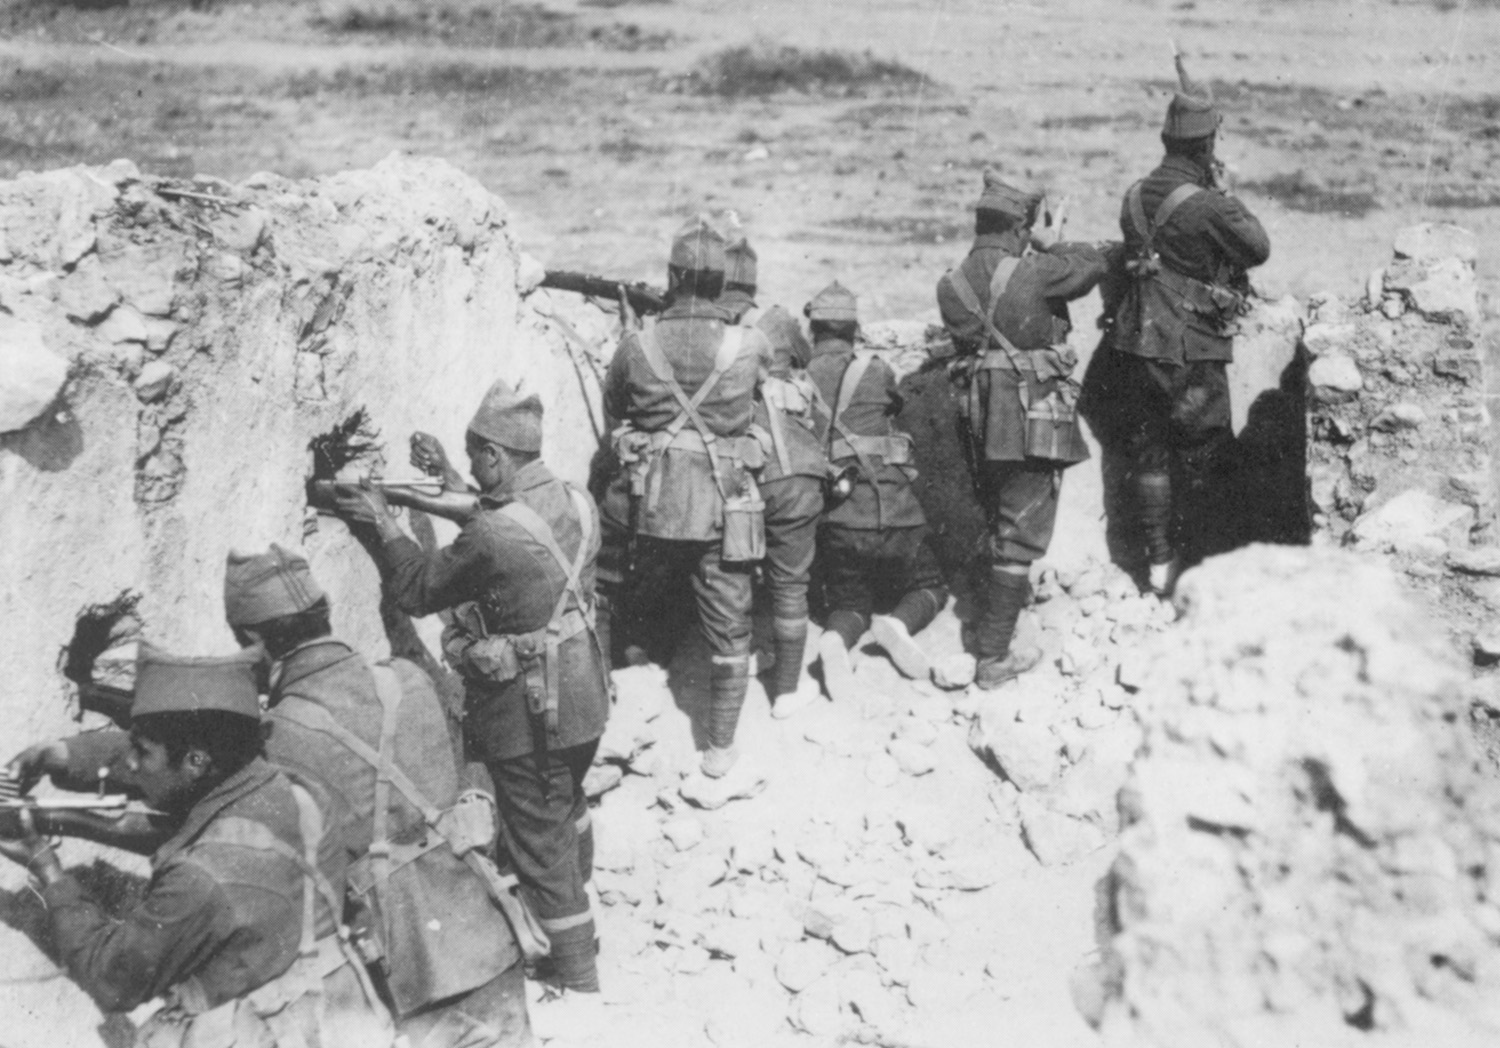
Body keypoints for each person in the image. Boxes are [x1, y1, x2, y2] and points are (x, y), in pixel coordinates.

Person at [333, 378, 609, 996]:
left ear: (496, 456)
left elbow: (416, 588)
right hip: (585, 699)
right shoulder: (574, 499)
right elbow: (507, 524)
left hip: (533, 711)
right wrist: (451, 477)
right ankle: (575, 895)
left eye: (475, 456)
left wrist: (381, 519)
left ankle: (575, 970)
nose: (476, 472)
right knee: (563, 806)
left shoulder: (493, 534)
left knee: (537, 839)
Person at [0, 645, 393, 1048]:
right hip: (337, 1015)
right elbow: (189, 812)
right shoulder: (295, 791)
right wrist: (58, 756)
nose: (131, 764)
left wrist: (46, 867)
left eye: (142, 752)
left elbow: (112, 980)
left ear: (197, 761)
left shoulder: (200, 881)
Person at [224, 545, 535, 1045]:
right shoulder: (405, 678)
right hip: (487, 928)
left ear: (257, 641)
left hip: (411, 970)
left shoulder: (280, 738)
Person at [595, 216, 774, 808]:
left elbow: (614, 408)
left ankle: (623, 697)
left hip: (646, 504)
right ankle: (719, 752)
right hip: (721, 505)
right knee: (730, 625)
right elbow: (758, 406)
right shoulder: (749, 345)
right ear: (723, 281)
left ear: (672, 276)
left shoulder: (637, 345)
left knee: (623, 591)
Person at [1082, 56, 1270, 594]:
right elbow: (1257, 248)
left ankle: (1159, 563)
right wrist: (1226, 194)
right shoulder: (1208, 204)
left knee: (1149, 452)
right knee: (1205, 454)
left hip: (1134, 344)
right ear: (1207, 144)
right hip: (1190, 350)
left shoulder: (1134, 196)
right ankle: (1204, 569)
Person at [936, 172, 1106, 688]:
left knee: (996, 513)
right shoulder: (1032, 272)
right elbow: (1093, 265)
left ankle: (993, 617)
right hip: (1028, 413)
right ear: (1018, 228)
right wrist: (1053, 239)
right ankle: (993, 657)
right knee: (1023, 525)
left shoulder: (950, 285)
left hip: (975, 415)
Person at [804, 281, 947, 700]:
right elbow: (895, 406)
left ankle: (836, 640)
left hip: (841, 520)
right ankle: (899, 624)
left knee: (849, 601)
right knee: (931, 584)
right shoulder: (875, 369)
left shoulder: (799, 381)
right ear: (854, 329)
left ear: (813, 329)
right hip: (898, 514)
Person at [718, 233, 828, 719]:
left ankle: (735, 673)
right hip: (797, 475)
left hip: (739, 475)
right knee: (790, 582)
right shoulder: (778, 322)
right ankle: (786, 691)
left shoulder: (710, 332)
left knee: (732, 575)